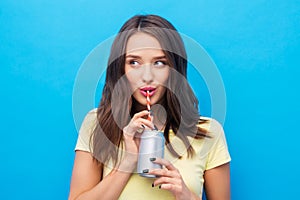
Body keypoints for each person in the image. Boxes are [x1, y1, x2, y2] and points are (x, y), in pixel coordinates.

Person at [69, 14, 231, 200]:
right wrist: (128, 161)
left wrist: (186, 195)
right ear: (120, 69)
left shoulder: (208, 132)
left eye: (159, 62)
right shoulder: (98, 124)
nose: (147, 76)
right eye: (134, 62)